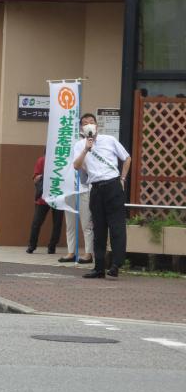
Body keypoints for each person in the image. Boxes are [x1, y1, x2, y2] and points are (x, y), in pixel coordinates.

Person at [73, 113, 131, 279]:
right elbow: (76, 166)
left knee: (117, 226)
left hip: (113, 185)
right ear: (81, 129)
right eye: (85, 123)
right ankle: (99, 267)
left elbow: (127, 158)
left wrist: (123, 178)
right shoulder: (79, 145)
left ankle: (116, 265)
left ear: (97, 126)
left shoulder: (109, 140)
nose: (89, 125)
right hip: (96, 188)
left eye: (91, 122)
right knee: (98, 228)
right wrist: (86, 148)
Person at [59, 152, 94, 264]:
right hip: (68, 190)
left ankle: (88, 253)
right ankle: (71, 252)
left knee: (86, 224)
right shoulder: (64, 149)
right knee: (70, 224)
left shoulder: (85, 149)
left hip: (83, 189)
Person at [26, 154, 63, 254]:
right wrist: (44, 175)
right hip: (43, 197)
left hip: (58, 196)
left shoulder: (63, 161)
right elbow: (35, 179)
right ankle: (32, 245)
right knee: (36, 223)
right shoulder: (42, 160)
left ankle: (52, 246)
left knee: (57, 223)